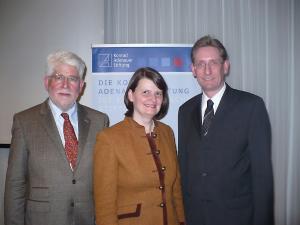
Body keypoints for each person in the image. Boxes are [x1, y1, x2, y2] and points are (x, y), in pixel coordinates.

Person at [4, 50, 109, 225]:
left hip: (87, 218)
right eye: (59, 77)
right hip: (43, 219)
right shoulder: (24, 121)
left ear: (81, 86)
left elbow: (105, 179)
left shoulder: (100, 121)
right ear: (47, 82)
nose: (65, 85)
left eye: (73, 79)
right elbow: (16, 183)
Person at [178, 35, 274, 225]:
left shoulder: (251, 106)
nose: (207, 70)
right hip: (194, 216)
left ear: (226, 66)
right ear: (193, 70)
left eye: (213, 62)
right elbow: (184, 167)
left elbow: (262, 175)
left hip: (237, 217)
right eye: (201, 64)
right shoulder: (185, 110)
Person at [93, 67, 185, 225]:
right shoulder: (109, 138)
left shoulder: (167, 132)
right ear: (131, 95)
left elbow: (175, 187)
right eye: (146, 92)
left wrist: (181, 220)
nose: (153, 99)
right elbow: (104, 205)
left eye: (158, 93)